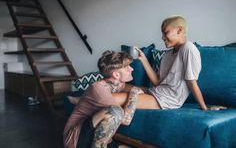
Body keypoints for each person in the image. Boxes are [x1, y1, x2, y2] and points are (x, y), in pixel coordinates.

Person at [70, 15, 226, 111]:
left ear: (179, 30)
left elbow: (192, 83)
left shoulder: (188, 48)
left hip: (167, 101)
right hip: (156, 92)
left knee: (121, 97)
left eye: (165, 32)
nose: (162, 37)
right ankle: (87, 95)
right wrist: (143, 59)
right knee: (121, 85)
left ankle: (83, 101)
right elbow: (158, 82)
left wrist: (204, 108)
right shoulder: (168, 54)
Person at [64, 51, 144, 148]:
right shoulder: (98, 88)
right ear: (116, 75)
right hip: (75, 139)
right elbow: (126, 120)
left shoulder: (118, 83)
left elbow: (140, 89)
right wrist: (134, 93)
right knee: (115, 112)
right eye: (127, 68)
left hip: (94, 134)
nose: (132, 69)